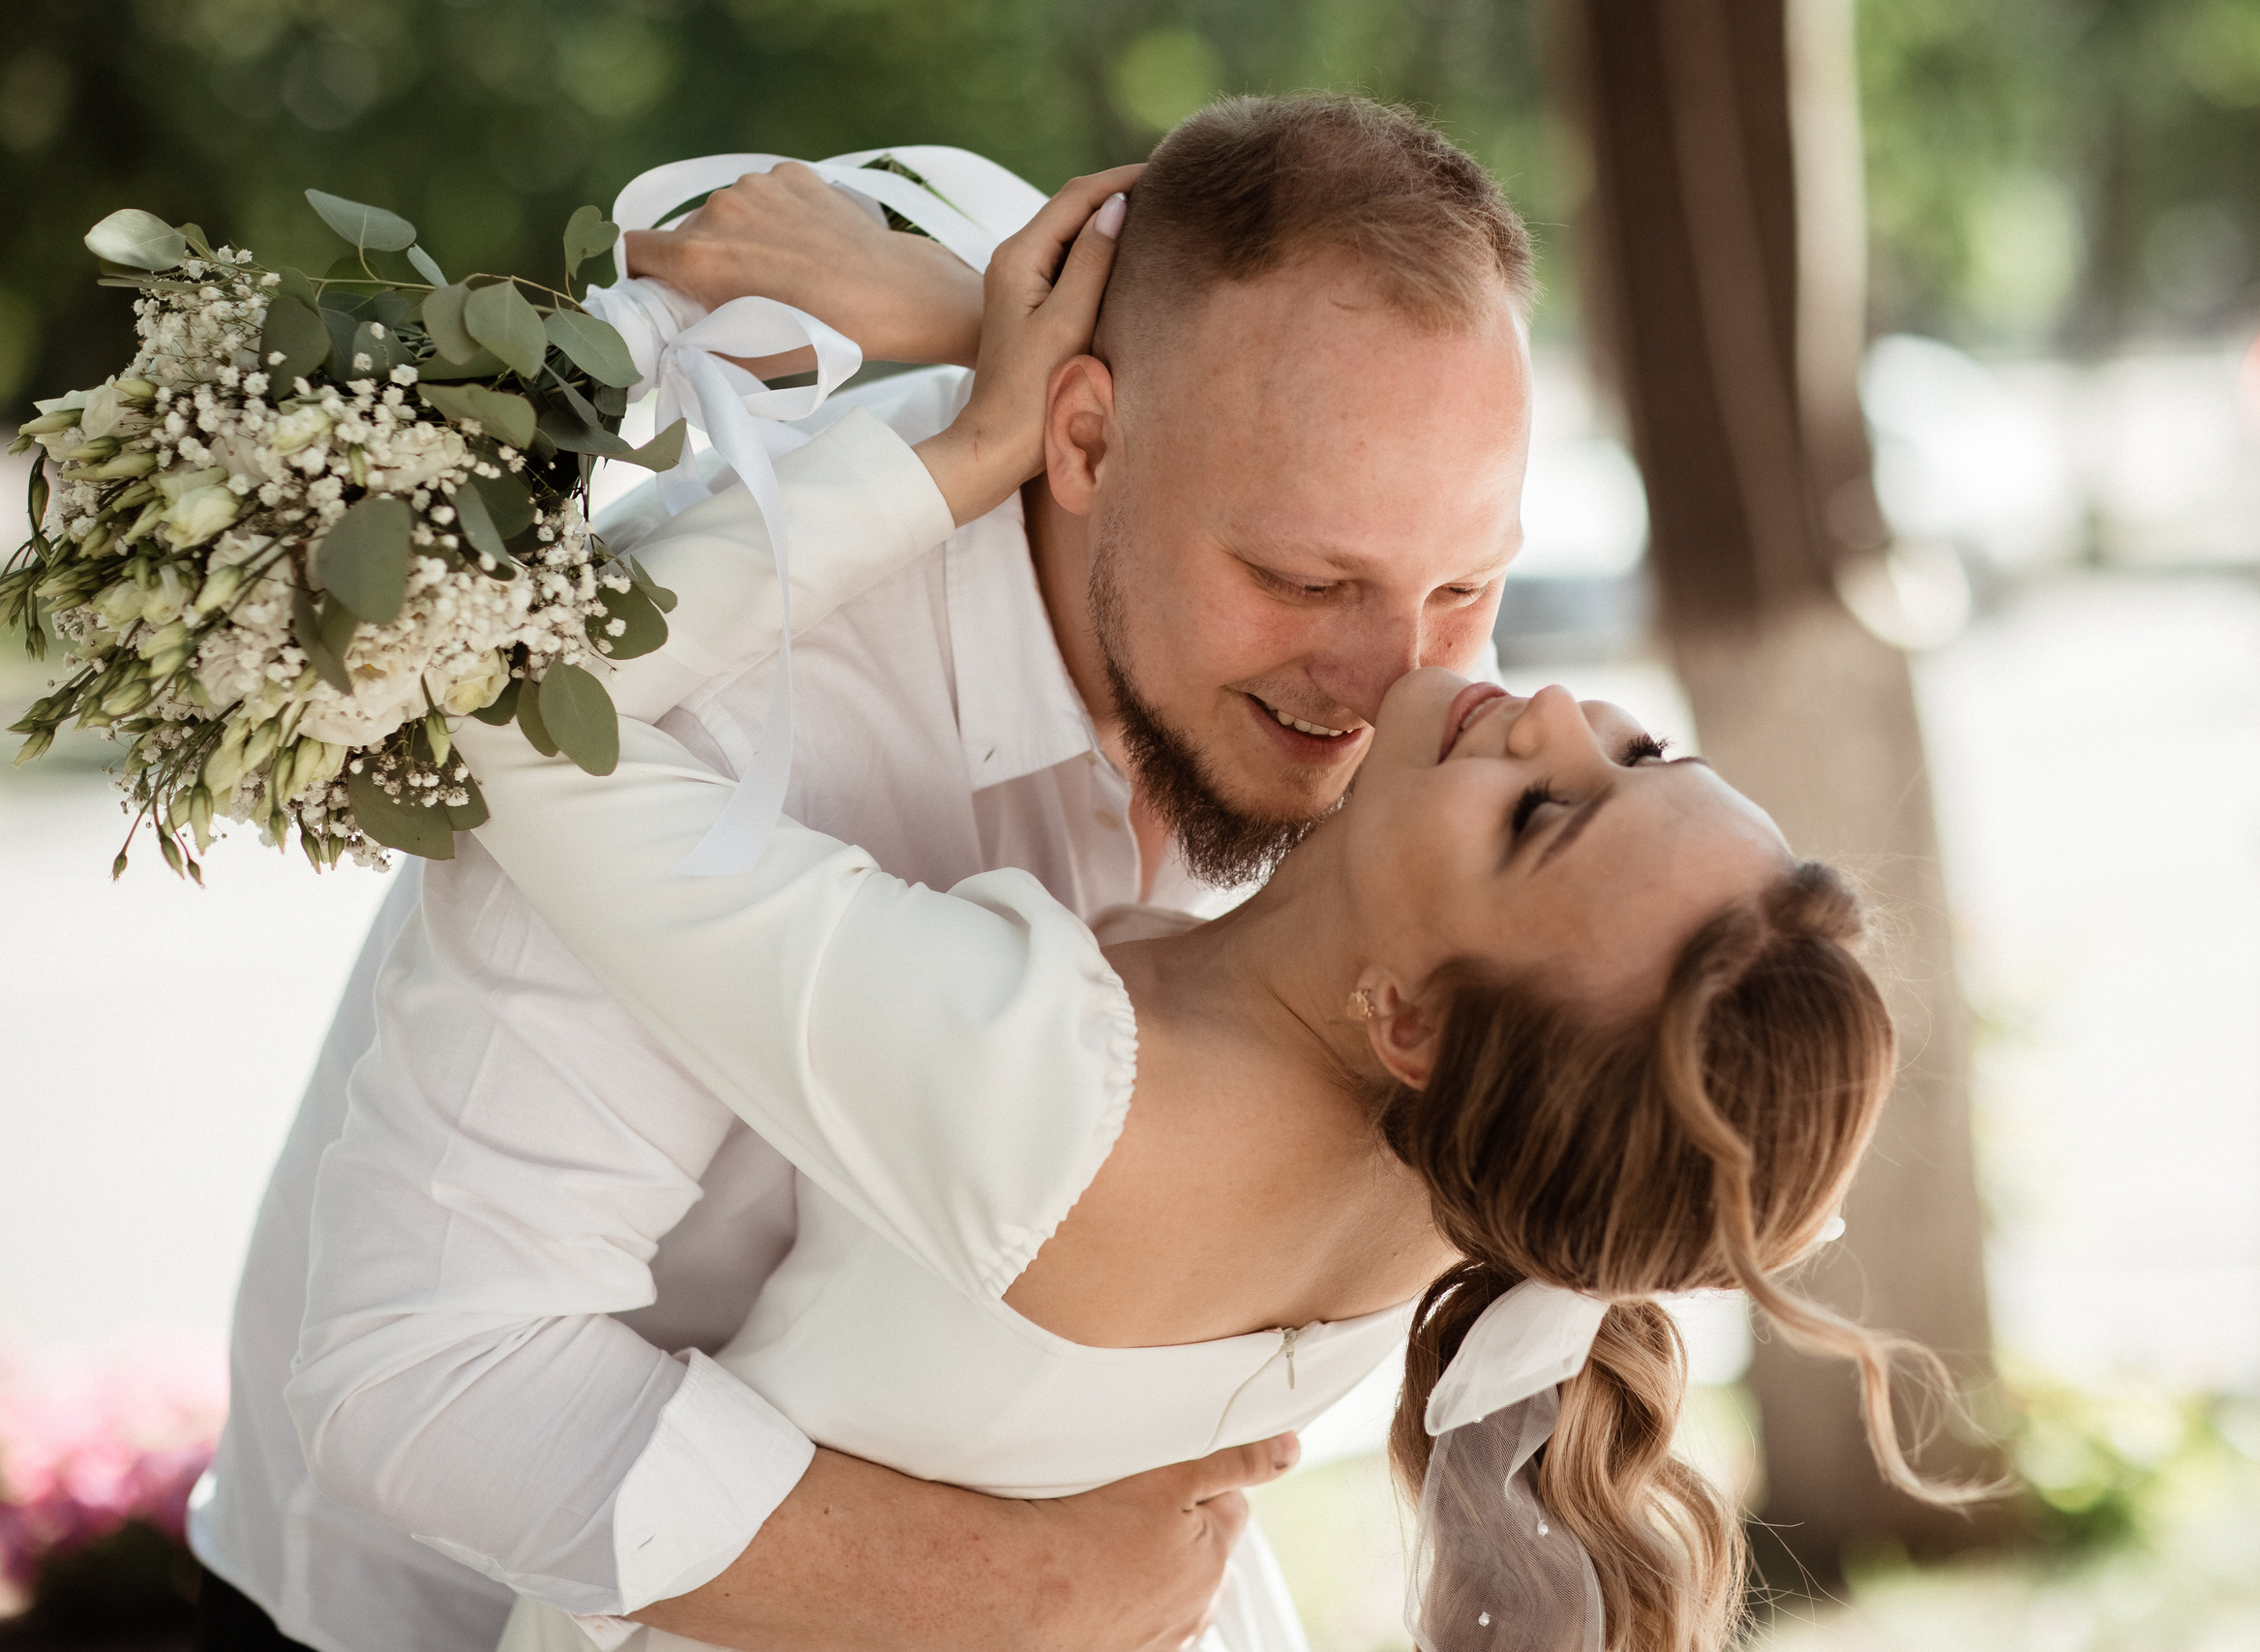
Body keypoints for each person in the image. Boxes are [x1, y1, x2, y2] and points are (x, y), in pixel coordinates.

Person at [438, 168, 1930, 1652]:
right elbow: (1322, 463)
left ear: (1408, 1019)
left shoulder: (1036, 1086)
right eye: (1642, 753)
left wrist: (974, 441)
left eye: (1543, 817)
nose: (1538, 705)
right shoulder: (1488, 1151)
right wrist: (1006, 339)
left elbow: (517, 715)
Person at [192, 95, 1534, 1652]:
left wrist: (967, 314)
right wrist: (1043, 1593)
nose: (1395, 690)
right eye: (1302, 581)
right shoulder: (722, 688)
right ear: (1082, 436)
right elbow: (419, 1374)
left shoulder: (1382, 636)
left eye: (1464, 586)